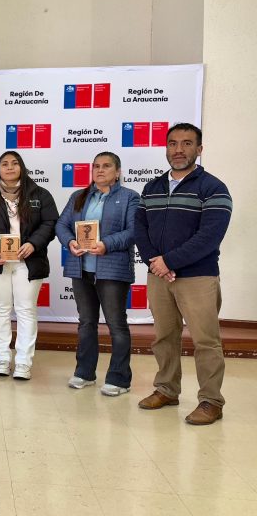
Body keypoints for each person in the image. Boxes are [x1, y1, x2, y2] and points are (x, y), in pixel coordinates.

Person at [135, 123, 232, 425]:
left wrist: (170, 261)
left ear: (199, 150)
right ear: (166, 148)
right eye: (173, 143)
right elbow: (141, 229)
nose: (179, 149)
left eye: (187, 143)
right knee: (164, 336)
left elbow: (210, 236)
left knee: (206, 341)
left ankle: (211, 401)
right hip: (158, 275)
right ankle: (167, 389)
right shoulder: (151, 188)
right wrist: (156, 262)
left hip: (197, 277)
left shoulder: (213, 188)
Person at [56, 152, 139, 395]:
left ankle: (119, 379)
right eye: (96, 166)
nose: (100, 170)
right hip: (81, 269)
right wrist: (70, 242)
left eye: (106, 166)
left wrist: (106, 244)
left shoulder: (129, 198)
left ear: (118, 171)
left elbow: (134, 231)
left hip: (112, 270)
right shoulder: (79, 196)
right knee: (86, 323)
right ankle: (84, 373)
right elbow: (61, 225)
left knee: (116, 324)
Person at [0, 151, 57, 380]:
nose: (9, 167)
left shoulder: (39, 194)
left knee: (26, 309)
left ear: (22, 167)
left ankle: (23, 363)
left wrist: (33, 244)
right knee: (0, 309)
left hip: (28, 260)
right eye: (4, 164)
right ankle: (2, 358)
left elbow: (50, 222)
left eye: (14, 163)